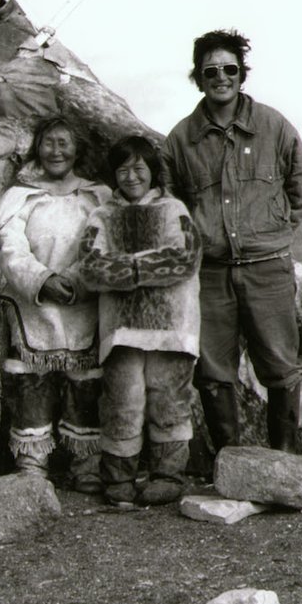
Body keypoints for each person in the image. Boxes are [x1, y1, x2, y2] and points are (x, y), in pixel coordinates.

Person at [162, 29, 302, 453]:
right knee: (213, 372)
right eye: (211, 71)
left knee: (281, 366)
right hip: (209, 275)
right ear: (198, 77)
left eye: (230, 69)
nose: (221, 77)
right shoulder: (180, 139)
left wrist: (274, 234)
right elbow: (169, 204)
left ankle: (282, 460)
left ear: (242, 74)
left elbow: (300, 187)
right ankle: (231, 462)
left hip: (268, 269)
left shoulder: (274, 126)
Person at [75, 136, 202, 507]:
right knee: (122, 400)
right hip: (121, 329)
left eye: (138, 168)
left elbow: (184, 259)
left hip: (172, 326)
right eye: (122, 169)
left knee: (169, 398)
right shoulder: (102, 215)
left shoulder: (173, 208)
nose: (131, 177)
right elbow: (89, 268)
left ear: (152, 171)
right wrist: (148, 265)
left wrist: (126, 265)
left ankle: (168, 475)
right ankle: (119, 478)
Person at [0, 117, 112, 492]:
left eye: (64, 143)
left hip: (83, 303)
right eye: (48, 143)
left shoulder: (98, 196)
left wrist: (77, 280)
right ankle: (32, 463)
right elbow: (9, 244)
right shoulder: (21, 196)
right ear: (37, 147)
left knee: (85, 384)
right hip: (34, 304)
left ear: (77, 148)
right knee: (31, 383)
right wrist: (42, 279)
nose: (56, 151)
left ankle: (86, 462)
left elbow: (104, 242)